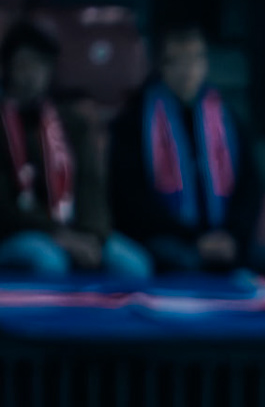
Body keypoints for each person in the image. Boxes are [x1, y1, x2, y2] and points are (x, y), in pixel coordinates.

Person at [108, 24, 265, 274]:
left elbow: (250, 188)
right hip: (166, 239)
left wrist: (232, 236)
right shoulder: (136, 121)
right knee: (184, 266)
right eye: (178, 61)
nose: (189, 71)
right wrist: (194, 238)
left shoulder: (226, 118)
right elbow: (132, 199)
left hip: (226, 239)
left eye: (196, 59)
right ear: (162, 66)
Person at [0, 21, 152, 277]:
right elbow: (4, 207)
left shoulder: (71, 123)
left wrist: (91, 235)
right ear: (8, 68)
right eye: (24, 64)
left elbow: (91, 188)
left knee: (134, 265)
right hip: (16, 233)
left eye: (40, 65)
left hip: (75, 230)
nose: (32, 74)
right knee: (49, 262)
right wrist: (58, 234)